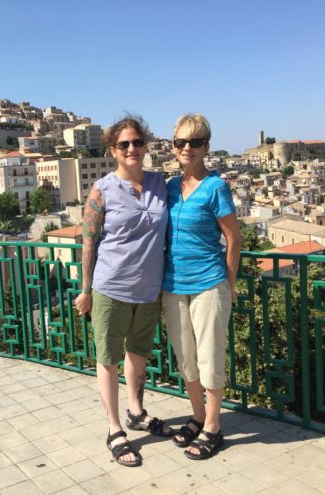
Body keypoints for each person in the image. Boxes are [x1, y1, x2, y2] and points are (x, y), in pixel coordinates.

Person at [75, 115, 172, 467]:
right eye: (124, 144)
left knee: (139, 354)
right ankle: (115, 428)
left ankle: (136, 410)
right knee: (108, 358)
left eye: (137, 142)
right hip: (111, 288)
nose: (132, 149)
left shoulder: (161, 184)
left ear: (145, 145)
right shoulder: (102, 189)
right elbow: (89, 243)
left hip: (149, 289)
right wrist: (85, 290)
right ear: (113, 150)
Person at [162, 114, 243, 460]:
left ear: (206, 146)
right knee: (186, 360)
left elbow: (234, 239)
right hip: (173, 285)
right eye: (181, 142)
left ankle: (213, 427)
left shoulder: (216, 187)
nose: (187, 148)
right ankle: (198, 416)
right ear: (173, 146)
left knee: (210, 359)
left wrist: (230, 282)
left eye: (195, 142)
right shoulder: (168, 187)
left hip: (210, 284)